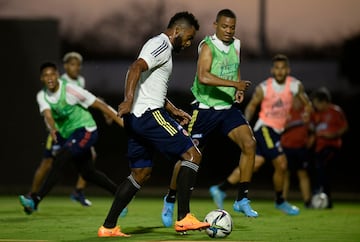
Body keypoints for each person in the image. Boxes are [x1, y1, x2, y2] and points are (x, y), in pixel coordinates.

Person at [97, 11, 209, 237]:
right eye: (188, 38)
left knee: (140, 173)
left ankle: (108, 227)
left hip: (137, 118)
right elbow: (135, 67)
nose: (188, 43)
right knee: (192, 154)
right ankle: (184, 218)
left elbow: (148, 86)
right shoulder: (161, 44)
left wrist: (174, 110)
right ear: (177, 30)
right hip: (148, 116)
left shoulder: (159, 47)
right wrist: (128, 99)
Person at [160, 8, 257, 229]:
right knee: (188, 158)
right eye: (224, 26)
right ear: (215, 25)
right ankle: (170, 199)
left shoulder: (237, 44)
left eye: (232, 27)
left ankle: (242, 198)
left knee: (250, 144)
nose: (228, 31)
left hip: (228, 109)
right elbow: (203, 77)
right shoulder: (207, 46)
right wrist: (234, 85)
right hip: (204, 111)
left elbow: (235, 67)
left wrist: (238, 88)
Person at [209, 54, 312, 215]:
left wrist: (307, 112)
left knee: (254, 164)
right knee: (282, 163)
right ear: (272, 70)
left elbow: (307, 103)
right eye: (276, 68)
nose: (279, 71)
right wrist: (244, 127)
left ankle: (220, 189)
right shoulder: (264, 87)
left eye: (282, 68)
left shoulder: (295, 85)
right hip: (264, 128)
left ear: (288, 70)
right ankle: (280, 201)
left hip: (277, 132)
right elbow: (251, 107)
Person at [19, 62, 125, 215]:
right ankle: (121, 196)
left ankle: (35, 200)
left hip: (86, 130)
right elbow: (48, 116)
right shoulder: (42, 96)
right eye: (45, 75)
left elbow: (100, 105)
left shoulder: (71, 90)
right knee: (88, 173)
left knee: (60, 160)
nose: (49, 78)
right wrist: (53, 129)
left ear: (57, 75)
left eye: (52, 74)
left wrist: (123, 124)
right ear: (41, 78)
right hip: (68, 136)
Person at [29, 52, 94, 206]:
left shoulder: (80, 80)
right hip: (59, 131)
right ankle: (32, 194)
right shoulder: (60, 82)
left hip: (75, 130)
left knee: (91, 156)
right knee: (47, 164)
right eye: (72, 64)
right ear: (64, 67)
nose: (76, 67)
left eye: (78, 64)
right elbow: (51, 111)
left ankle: (78, 191)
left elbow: (82, 102)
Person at [311, 87, 348, 208]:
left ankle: (321, 194)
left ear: (324, 101)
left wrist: (333, 135)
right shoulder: (316, 114)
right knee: (319, 170)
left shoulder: (335, 111)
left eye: (316, 102)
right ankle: (322, 197)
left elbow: (344, 127)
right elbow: (312, 128)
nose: (315, 105)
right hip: (318, 147)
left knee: (322, 168)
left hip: (331, 146)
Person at [281, 96, 314, 208]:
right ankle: (282, 201)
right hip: (286, 148)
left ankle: (307, 201)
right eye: (295, 99)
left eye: (299, 100)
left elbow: (313, 130)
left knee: (303, 174)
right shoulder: (286, 112)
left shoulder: (306, 112)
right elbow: (279, 128)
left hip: (301, 149)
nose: (297, 102)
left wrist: (310, 142)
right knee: (285, 174)